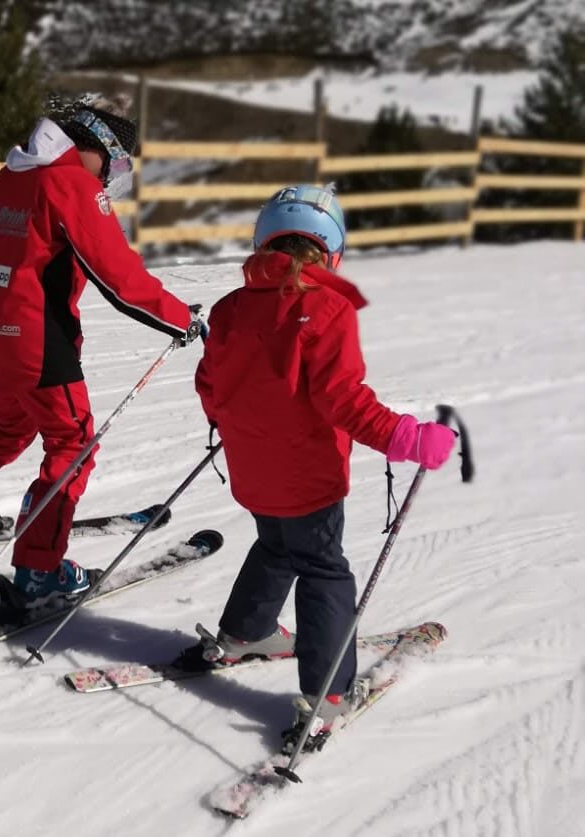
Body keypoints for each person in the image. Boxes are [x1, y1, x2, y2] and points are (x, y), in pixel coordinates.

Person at [192, 184, 456, 746]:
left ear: (264, 239)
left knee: (276, 546)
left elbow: (210, 386)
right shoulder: (325, 307)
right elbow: (345, 401)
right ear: (332, 250)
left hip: (254, 470)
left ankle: (245, 632)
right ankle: (328, 695)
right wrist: (407, 436)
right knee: (323, 568)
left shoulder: (230, 308)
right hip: (308, 475)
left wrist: (241, 427)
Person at [0, 98, 198, 608]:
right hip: (39, 341)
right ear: (98, 149)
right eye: (116, 162)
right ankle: (40, 570)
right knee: (74, 442)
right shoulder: (70, 183)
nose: (113, 177)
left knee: (12, 427)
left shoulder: (12, 173)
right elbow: (121, 278)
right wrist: (182, 320)